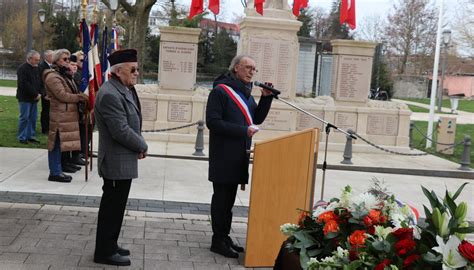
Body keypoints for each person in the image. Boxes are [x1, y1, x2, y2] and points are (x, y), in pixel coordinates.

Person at [206, 54, 274, 258]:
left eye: (254, 69)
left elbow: (255, 119)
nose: (252, 72)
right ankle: (217, 240)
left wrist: (266, 97)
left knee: (229, 201)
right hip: (223, 155)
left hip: (239, 156)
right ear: (236, 68)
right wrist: (242, 131)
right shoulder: (221, 91)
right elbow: (213, 122)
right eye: (248, 67)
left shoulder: (246, 94)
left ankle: (224, 236)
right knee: (221, 199)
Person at [93, 49, 148, 266]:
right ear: (118, 71)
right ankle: (104, 252)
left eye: (137, 69)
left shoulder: (123, 88)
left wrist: (138, 145)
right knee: (111, 209)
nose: (136, 73)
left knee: (117, 208)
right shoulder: (109, 94)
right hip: (115, 160)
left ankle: (110, 243)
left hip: (124, 158)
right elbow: (120, 130)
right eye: (132, 69)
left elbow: (133, 121)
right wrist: (142, 145)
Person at [43, 49, 88, 183]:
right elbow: (62, 95)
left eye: (69, 59)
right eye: (64, 59)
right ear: (56, 60)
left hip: (66, 115)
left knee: (61, 144)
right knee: (55, 144)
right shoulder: (52, 76)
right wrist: (80, 97)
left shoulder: (64, 75)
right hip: (59, 116)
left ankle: (60, 168)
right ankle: (55, 172)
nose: (68, 62)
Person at [16, 50, 41, 144]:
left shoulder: (37, 68)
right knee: (24, 117)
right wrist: (35, 94)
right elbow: (24, 84)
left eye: (38, 60)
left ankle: (31, 135)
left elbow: (39, 82)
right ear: (29, 59)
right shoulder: (22, 69)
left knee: (33, 118)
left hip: (35, 97)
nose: (38, 62)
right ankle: (22, 136)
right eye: (36, 60)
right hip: (25, 97)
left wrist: (39, 93)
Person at [39, 50, 54, 134]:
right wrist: (44, 94)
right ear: (47, 57)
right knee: (45, 111)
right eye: (52, 56)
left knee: (50, 111)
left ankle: (49, 127)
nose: (53, 58)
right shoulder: (42, 66)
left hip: (52, 93)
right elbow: (41, 82)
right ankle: (44, 129)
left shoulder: (52, 66)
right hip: (46, 94)